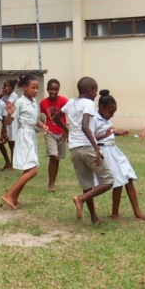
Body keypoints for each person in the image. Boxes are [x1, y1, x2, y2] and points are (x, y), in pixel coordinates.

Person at [54, 76, 114, 224]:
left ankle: (94, 217)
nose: (96, 94)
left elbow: (55, 118)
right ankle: (80, 199)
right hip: (87, 147)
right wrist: (96, 148)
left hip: (74, 149)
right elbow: (85, 126)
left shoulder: (70, 103)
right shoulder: (88, 103)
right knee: (108, 181)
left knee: (87, 184)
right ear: (89, 90)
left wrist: (65, 130)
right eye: (95, 91)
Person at [93, 90, 145, 221]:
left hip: (114, 150)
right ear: (101, 108)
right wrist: (104, 135)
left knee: (128, 177)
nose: (112, 115)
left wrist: (120, 132)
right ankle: (115, 213)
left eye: (114, 113)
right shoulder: (94, 119)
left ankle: (137, 212)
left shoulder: (106, 118)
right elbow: (91, 136)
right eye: (110, 112)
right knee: (118, 181)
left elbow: (111, 130)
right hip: (104, 151)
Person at [1, 75, 48, 210]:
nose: (35, 90)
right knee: (33, 170)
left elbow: (35, 119)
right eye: (33, 88)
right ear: (24, 87)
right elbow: (9, 122)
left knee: (29, 168)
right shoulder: (20, 102)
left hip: (31, 134)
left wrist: (42, 125)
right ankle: (9, 195)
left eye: (37, 88)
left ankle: (14, 197)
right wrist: (9, 113)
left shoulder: (34, 102)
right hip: (24, 134)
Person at [39, 78, 68, 192]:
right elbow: (43, 116)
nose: (53, 92)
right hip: (50, 132)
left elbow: (68, 115)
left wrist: (67, 130)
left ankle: (53, 182)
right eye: (51, 89)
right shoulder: (43, 102)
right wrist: (43, 127)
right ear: (47, 89)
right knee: (53, 156)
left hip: (61, 133)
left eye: (56, 90)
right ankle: (50, 183)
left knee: (58, 159)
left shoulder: (64, 101)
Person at [0, 79, 18, 170]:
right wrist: (3, 95)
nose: (5, 88)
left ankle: (13, 163)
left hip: (11, 120)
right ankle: (8, 162)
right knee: (2, 140)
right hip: (4, 120)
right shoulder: (5, 96)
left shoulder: (14, 95)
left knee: (12, 142)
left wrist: (4, 96)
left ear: (11, 87)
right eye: (4, 86)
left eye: (7, 86)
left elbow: (8, 104)